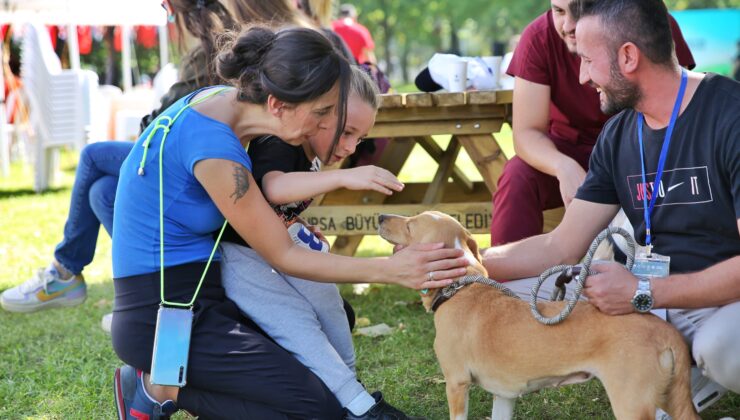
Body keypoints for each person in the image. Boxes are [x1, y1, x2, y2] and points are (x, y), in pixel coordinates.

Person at [111, 26, 468, 419]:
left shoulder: (222, 105)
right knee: (315, 408)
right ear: (278, 104)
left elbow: (258, 219)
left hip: (204, 292)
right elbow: (281, 254)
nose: (325, 125)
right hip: (165, 313)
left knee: (323, 368)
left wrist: (287, 221)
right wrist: (390, 269)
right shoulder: (215, 148)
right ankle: (155, 386)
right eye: (322, 112)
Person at [480, 0, 740, 414]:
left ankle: (695, 376)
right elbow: (559, 248)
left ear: (628, 56)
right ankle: (671, 378)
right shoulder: (619, 134)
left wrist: (642, 291)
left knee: (726, 349)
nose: (581, 77)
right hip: (645, 299)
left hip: (719, 302)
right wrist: (465, 261)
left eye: (586, 60)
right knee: (500, 297)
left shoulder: (730, 115)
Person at [0, 0, 310, 315]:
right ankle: (146, 295)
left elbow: (162, 121)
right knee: (103, 192)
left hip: (214, 176)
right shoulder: (255, 33)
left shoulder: (216, 42)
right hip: (218, 175)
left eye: (166, 7)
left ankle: (65, 270)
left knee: (94, 157)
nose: (165, 11)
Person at [219, 66, 416, 419]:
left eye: (360, 137)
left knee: (330, 307)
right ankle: (358, 407)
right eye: (346, 132)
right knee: (294, 321)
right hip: (240, 253)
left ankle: (348, 388)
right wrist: (344, 177)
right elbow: (272, 187)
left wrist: (297, 219)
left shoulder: (311, 149)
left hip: (279, 240)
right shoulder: (280, 139)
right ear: (318, 112)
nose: (350, 146)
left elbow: (277, 202)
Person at [489, 0, 695, 246]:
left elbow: (677, 107)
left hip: (641, 146)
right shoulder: (538, 37)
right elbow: (526, 134)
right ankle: (500, 280)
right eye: (558, 11)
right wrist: (562, 166)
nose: (567, 25)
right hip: (572, 149)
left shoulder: (644, 18)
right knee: (518, 174)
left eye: (579, 10)